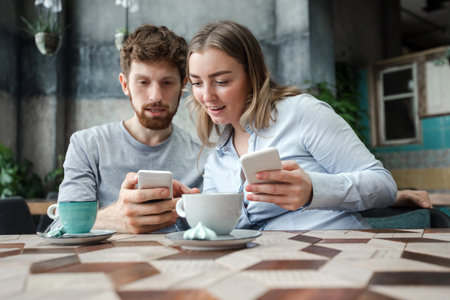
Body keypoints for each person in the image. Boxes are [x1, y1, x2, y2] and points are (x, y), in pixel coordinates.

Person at [186, 20, 397, 230]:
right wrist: (183, 203)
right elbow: (214, 228)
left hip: (337, 250)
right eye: (196, 83)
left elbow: (383, 185)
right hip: (267, 260)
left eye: (221, 81)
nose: (206, 96)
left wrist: (313, 190)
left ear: (253, 76)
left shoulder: (300, 113)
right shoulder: (216, 158)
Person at [57, 24, 206, 234]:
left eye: (167, 83)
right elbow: (59, 228)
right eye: (143, 82)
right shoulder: (88, 146)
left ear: (182, 85)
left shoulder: (203, 158)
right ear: (125, 84)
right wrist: (112, 218)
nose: (155, 96)